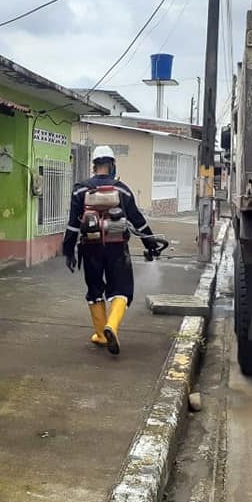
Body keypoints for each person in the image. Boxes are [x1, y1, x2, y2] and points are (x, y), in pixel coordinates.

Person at [63, 145, 163, 355]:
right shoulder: (122, 190)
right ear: (112, 165)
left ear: (94, 165)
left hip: (89, 248)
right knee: (122, 290)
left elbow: (73, 224)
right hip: (117, 248)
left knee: (94, 289)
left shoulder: (80, 189)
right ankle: (112, 326)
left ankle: (101, 335)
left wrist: (68, 250)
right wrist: (151, 244)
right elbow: (138, 221)